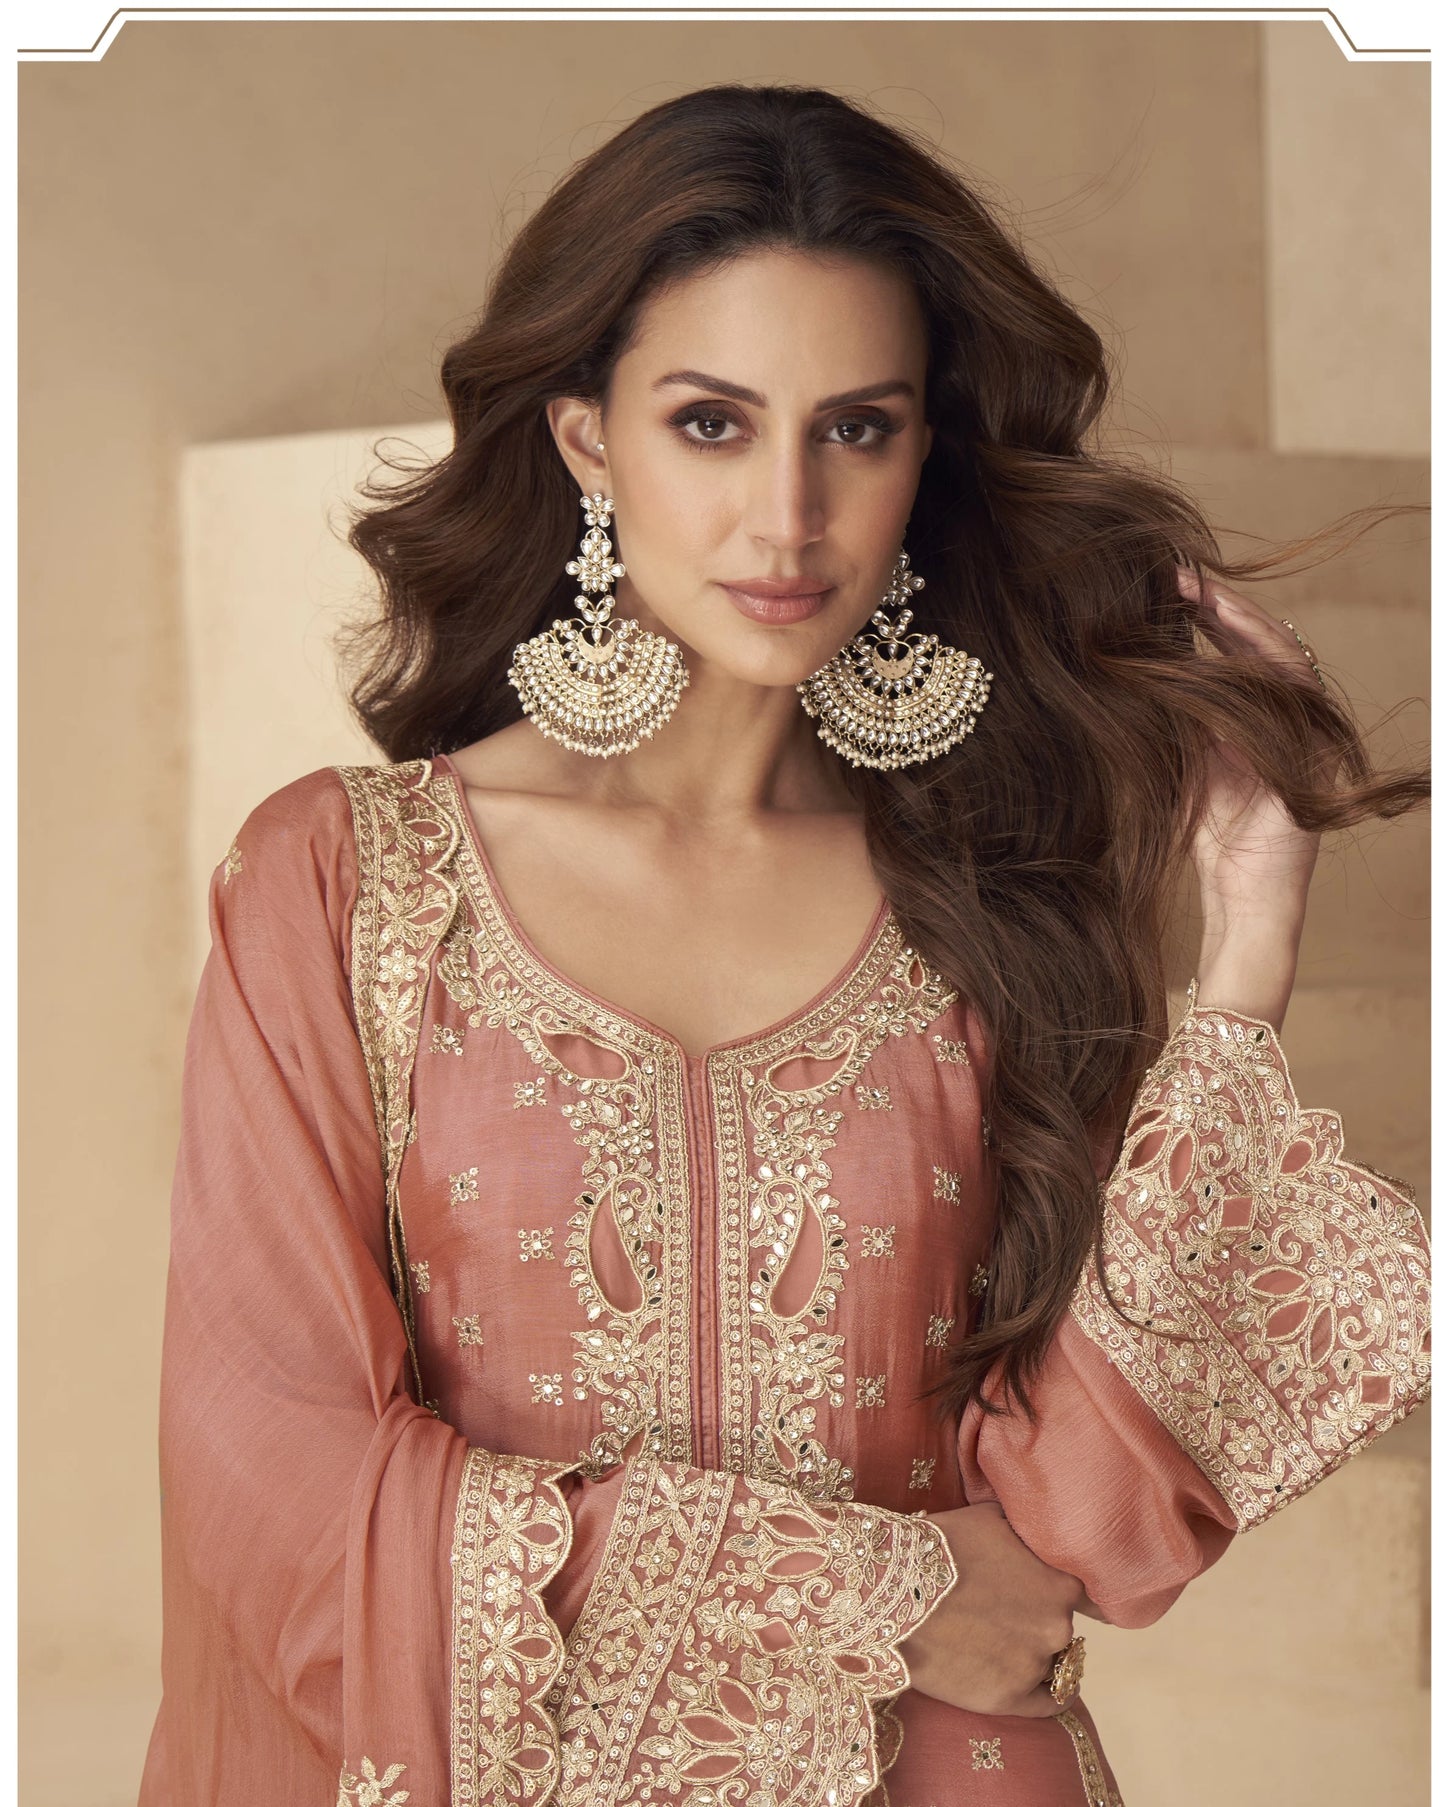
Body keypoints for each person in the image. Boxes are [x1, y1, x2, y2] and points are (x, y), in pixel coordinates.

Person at [138, 83, 1430, 1807]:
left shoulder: (994, 899)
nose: (788, 519)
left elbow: (1072, 1519)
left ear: (922, 456)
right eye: (712, 424)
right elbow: (267, 1477)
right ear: (588, 439)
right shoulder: (349, 885)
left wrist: (1250, 928)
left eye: (857, 429)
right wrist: (880, 1595)